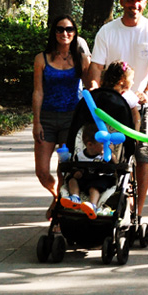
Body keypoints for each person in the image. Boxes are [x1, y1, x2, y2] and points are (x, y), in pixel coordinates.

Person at [88, 0, 148, 219]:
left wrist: (147, 92)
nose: (134, 4)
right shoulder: (107, 31)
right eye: (130, 0)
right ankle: (112, 199)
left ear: (144, 3)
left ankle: (138, 212)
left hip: (143, 104)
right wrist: (94, 89)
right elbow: (96, 67)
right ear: (122, 2)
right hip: (112, 104)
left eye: (139, 0)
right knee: (111, 154)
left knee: (143, 157)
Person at [32, 14, 91, 197]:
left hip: (71, 118)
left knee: (64, 169)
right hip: (47, 118)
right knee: (42, 172)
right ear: (54, 32)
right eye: (60, 29)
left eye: (69, 29)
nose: (64, 33)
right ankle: (57, 197)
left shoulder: (82, 59)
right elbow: (38, 92)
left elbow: (91, 89)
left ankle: (59, 206)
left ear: (74, 33)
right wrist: (36, 122)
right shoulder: (42, 59)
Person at [60, 123, 114, 219]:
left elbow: (115, 165)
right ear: (90, 145)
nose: (106, 145)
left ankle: (92, 206)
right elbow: (75, 168)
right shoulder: (79, 155)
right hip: (85, 178)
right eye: (102, 143)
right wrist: (76, 173)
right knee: (72, 180)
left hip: (100, 179)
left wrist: (110, 153)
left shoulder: (105, 155)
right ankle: (75, 198)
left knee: (94, 188)